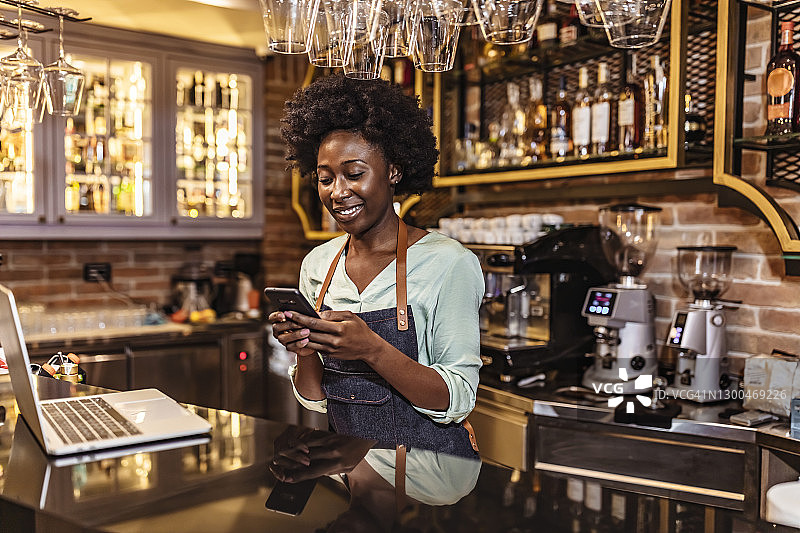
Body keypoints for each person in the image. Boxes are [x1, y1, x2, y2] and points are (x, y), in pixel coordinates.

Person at [269, 74, 483, 516]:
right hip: (350, 459)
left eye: (355, 174)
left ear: (394, 171)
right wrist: (304, 347)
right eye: (325, 178)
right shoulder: (318, 266)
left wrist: (371, 348)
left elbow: (456, 397)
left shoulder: (448, 263)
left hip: (435, 470)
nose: (337, 193)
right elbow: (314, 398)